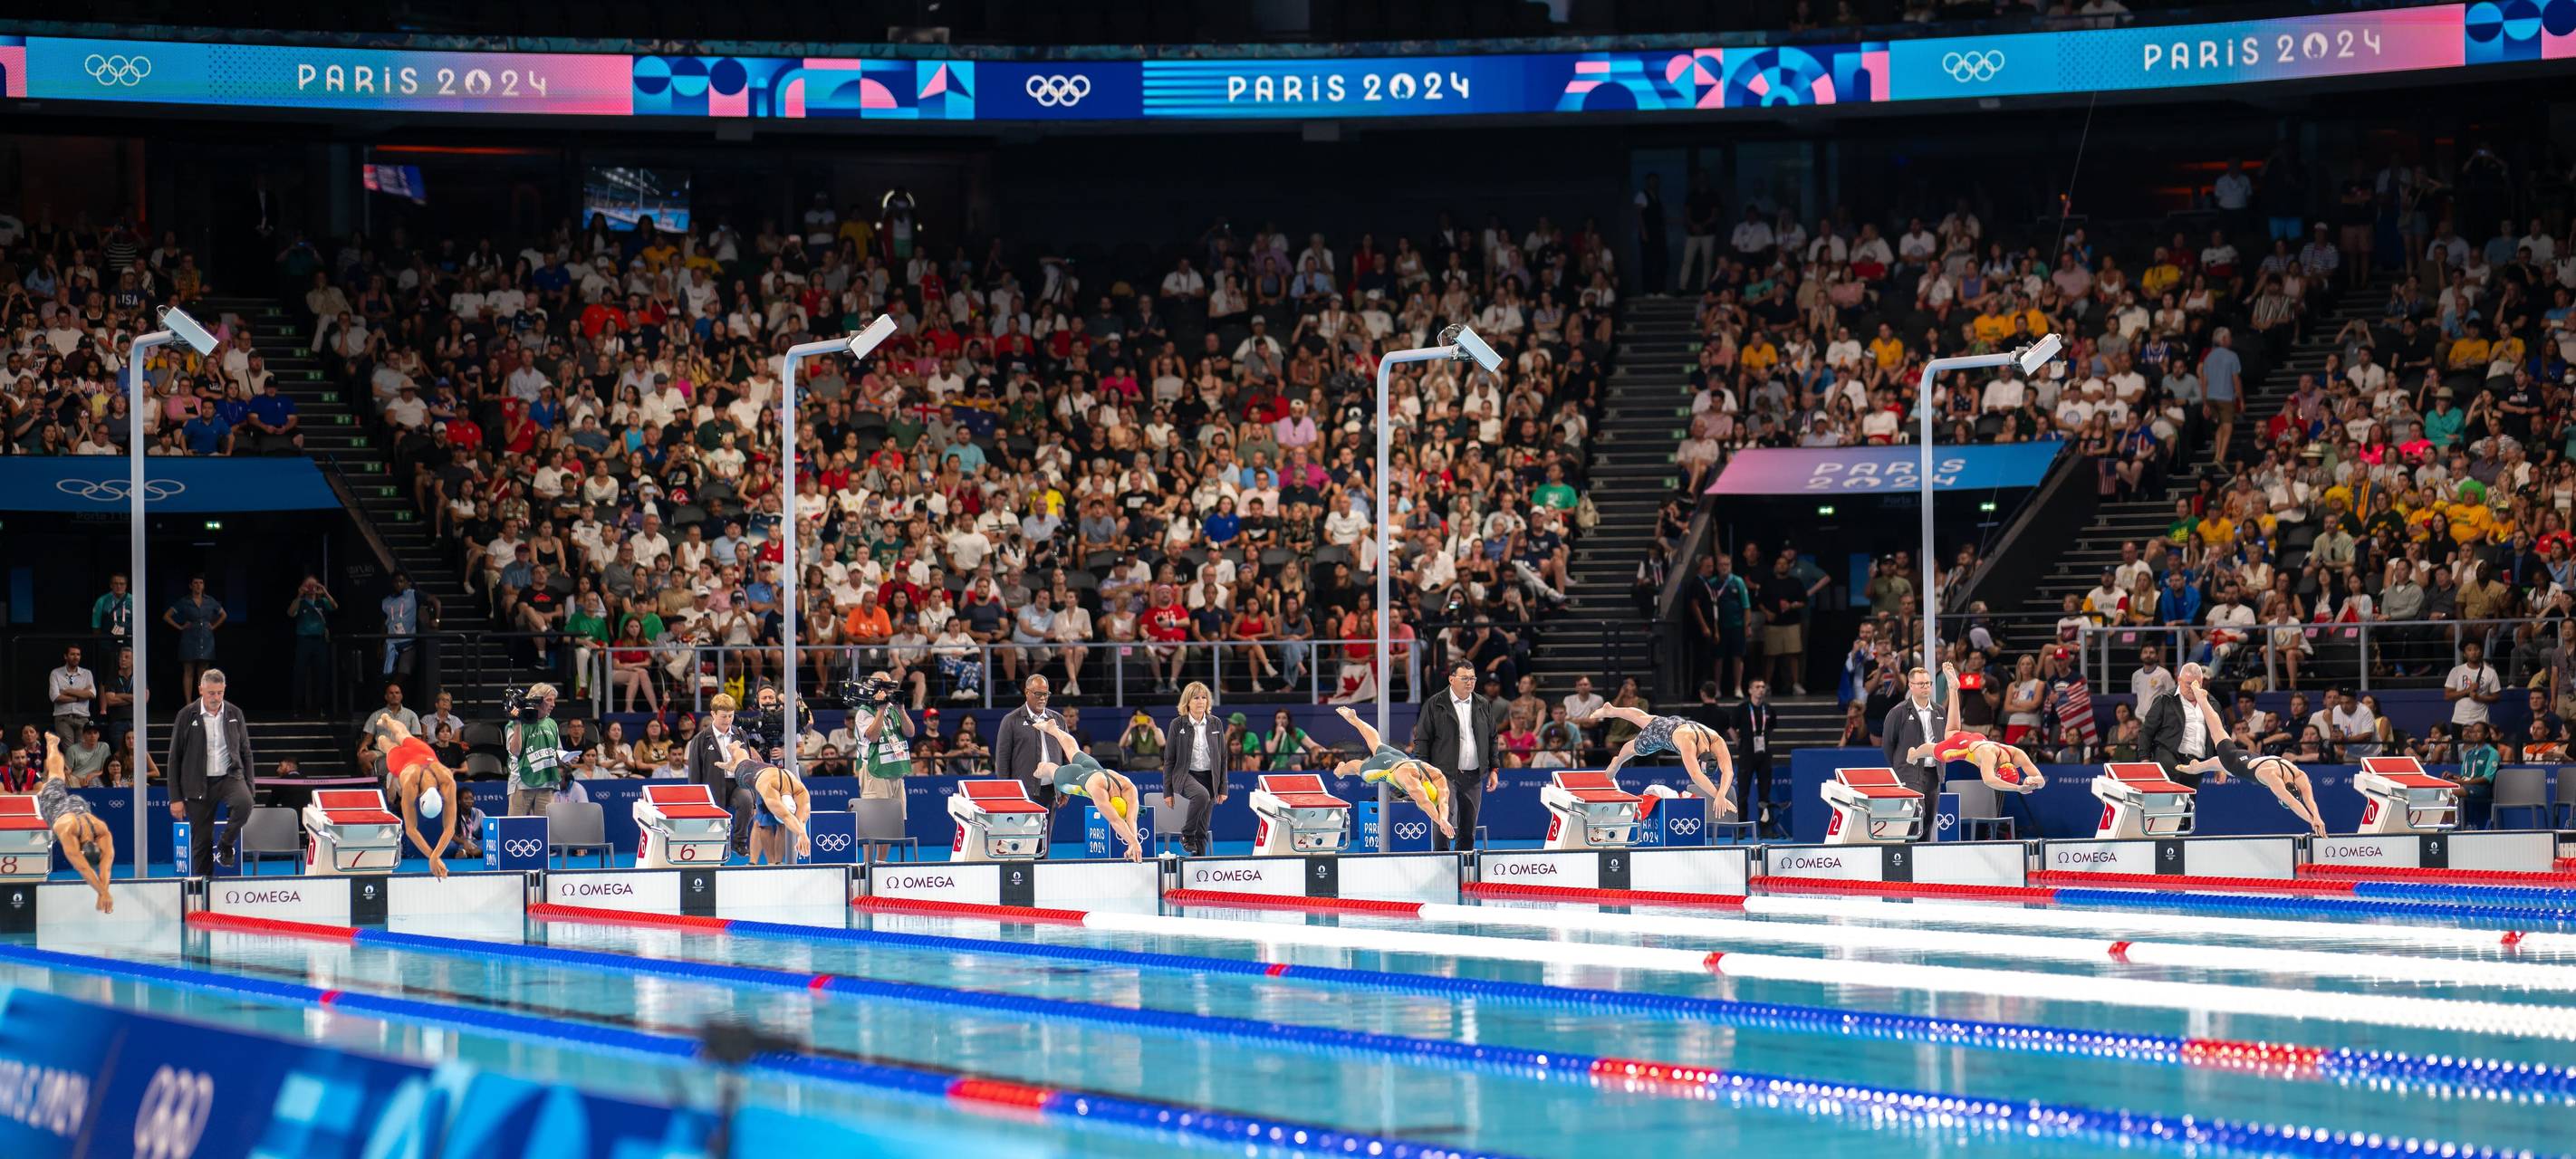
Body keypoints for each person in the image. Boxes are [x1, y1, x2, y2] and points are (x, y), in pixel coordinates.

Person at [2175, 700, 2328, 838]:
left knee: (2212, 763)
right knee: (2216, 730)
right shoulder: (2272, 777)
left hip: (2249, 757)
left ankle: (2198, 766)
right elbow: (2294, 803)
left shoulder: (2299, 775)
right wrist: (2312, 820)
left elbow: (2309, 800)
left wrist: (2317, 818)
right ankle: (2201, 698)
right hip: (2233, 762)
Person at [166, 668, 254, 873]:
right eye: (211, 693)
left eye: (219, 693)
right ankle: (203, 891)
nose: (216, 698)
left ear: (224, 690)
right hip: (197, 783)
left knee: (245, 803)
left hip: (229, 777)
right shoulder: (186, 715)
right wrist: (175, 798)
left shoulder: (234, 713)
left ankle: (225, 844)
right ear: (200, 690)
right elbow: (174, 758)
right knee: (201, 842)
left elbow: (246, 752)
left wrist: (250, 787)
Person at [1411, 660, 1504, 850]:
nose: (1469, 683)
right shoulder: (1435, 704)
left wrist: (1494, 769)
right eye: (1464, 678)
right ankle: (1442, 862)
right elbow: (1422, 740)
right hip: (1443, 774)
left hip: (1474, 774)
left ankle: (1466, 867)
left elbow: (1493, 737)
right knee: (1443, 820)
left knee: (1468, 826)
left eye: (1473, 678)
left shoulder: (1483, 704)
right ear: (1452, 679)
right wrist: (1422, 771)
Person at [1329, 704, 1456, 841]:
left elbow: (1444, 801)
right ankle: (1341, 769)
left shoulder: (1436, 774)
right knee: (1359, 769)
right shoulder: (1412, 784)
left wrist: (1444, 819)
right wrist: (1440, 822)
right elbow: (1425, 802)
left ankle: (1355, 719)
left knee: (1376, 743)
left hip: (1399, 758)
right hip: (1384, 768)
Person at [1031, 717, 1146, 862]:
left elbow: (1131, 819)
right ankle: (1041, 767)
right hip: (1075, 777)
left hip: (1094, 768)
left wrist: (1133, 843)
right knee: (1051, 770)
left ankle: (1053, 729)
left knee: (1073, 750)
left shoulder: (1128, 785)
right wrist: (1134, 842)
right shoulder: (1099, 791)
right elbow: (1115, 820)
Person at [1929, 662, 2050, 794]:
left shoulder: (2016, 754)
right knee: (1943, 743)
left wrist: (2032, 780)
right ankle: (1953, 689)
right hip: (1967, 745)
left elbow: (2042, 781)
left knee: (1951, 733)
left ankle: (1953, 689)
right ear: (1998, 773)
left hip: (1979, 741)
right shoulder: (1990, 756)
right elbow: (1989, 781)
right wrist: (2019, 788)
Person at [1595, 704, 1738, 809]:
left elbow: (1728, 771)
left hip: (1678, 722)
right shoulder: (1688, 744)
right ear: (1698, 757)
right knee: (1635, 748)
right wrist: (1717, 796)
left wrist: (1721, 795)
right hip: (1663, 734)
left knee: (1644, 718)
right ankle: (1617, 762)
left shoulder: (1715, 739)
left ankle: (1612, 710)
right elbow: (1695, 775)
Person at [368, 715, 459, 877]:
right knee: (387, 745)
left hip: (424, 754)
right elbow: (411, 829)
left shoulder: (447, 780)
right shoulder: (414, 783)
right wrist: (433, 857)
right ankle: (382, 734)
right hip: (403, 763)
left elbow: (450, 829)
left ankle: (387, 720)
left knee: (402, 733)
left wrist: (435, 856)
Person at [35, 735, 115, 913]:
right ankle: (51, 745)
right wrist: (103, 892)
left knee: (57, 775)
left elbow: (104, 866)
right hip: (59, 811)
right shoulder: (71, 833)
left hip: (79, 807)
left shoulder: (100, 828)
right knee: (53, 776)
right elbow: (85, 868)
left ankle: (53, 746)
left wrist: (104, 893)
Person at [685, 693, 759, 855]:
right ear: (713, 714)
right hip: (712, 786)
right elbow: (694, 771)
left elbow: (748, 766)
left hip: (737, 784)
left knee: (746, 801)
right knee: (716, 825)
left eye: (731, 716)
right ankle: (716, 848)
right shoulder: (700, 739)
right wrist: (695, 799)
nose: (727, 720)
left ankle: (739, 842)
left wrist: (754, 798)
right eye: (723, 716)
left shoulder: (741, 734)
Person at [721, 735, 812, 866]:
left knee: (775, 822)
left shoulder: (800, 790)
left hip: (769, 770)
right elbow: (785, 816)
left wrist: (803, 834)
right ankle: (733, 747)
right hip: (750, 774)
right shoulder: (770, 790)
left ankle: (777, 861)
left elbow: (801, 819)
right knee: (741, 758)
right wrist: (801, 834)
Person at [1161, 682, 1226, 857]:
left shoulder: (1216, 724)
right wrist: (1167, 791)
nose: (1200, 701)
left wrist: (1223, 787)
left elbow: (1223, 757)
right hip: (1185, 775)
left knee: (1202, 831)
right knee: (1201, 795)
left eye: (1204, 697)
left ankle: (1197, 867)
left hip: (1209, 777)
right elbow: (1169, 759)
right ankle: (1186, 835)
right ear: (1187, 702)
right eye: (1196, 698)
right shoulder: (1178, 724)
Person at [993, 674, 1067, 808]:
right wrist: (1006, 792)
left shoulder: (1059, 720)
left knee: (1047, 830)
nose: (1043, 698)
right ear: (1027, 692)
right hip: (1023, 793)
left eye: (1046, 694)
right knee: (1026, 830)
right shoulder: (1011, 720)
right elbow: (1002, 760)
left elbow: (1066, 755)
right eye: (1038, 694)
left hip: (1052, 791)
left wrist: (1066, 789)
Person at [2141, 661, 2219, 787]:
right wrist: (2144, 758)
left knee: (2189, 799)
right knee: (2173, 781)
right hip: (2168, 752)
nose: (2192, 688)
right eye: (2188, 684)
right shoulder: (2165, 700)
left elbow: (2219, 735)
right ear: (2179, 680)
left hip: (2196, 760)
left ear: (2202, 681)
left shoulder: (2212, 704)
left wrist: (2220, 766)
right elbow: (2147, 731)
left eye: (2196, 684)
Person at [1879, 667, 1948, 801]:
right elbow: (1888, 744)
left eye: (1928, 683)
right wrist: (1901, 766)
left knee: (1929, 817)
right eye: (1921, 684)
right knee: (1917, 813)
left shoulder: (1939, 711)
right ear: (1911, 686)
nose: (1926, 687)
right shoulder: (1898, 712)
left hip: (1934, 772)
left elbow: (1943, 740)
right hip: (1909, 772)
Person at [851, 670, 915, 815]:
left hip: (896, 770)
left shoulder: (894, 709)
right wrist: (880, 710)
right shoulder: (864, 711)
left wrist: (902, 710)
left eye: (890, 687)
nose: (889, 691)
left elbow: (910, 732)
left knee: (896, 821)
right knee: (878, 821)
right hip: (876, 772)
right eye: (886, 687)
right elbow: (873, 737)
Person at [505, 682, 563, 817]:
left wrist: (566, 758)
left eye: (554, 700)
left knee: (546, 830)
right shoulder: (515, 723)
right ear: (536, 700)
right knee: (516, 829)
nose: (553, 705)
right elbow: (515, 751)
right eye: (549, 700)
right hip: (522, 783)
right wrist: (518, 723)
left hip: (547, 783)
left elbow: (557, 751)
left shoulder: (552, 724)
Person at [163, 576, 226, 694]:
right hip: (189, 637)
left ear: (203, 585)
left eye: (201, 583)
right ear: (191, 586)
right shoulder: (185, 601)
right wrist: (180, 627)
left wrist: (213, 626)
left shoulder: (210, 600)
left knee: (203, 672)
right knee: (188, 670)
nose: (198, 585)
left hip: (206, 638)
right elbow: (167, 616)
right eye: (195, 583)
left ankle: (202, 702)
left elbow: (223, 614)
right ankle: (188, 704)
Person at [1731, 679, 1779, 832]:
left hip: (1764, 755)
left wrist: (1765, 740)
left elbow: (1771, 729)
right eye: (1757, 687)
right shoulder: (1742, 709)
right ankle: (1741, 828)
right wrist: (1738, 742)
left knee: (1764, 794)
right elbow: (1731, 727)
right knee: (1743, 793)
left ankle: (1765, 828)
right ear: (1750, 690)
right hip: (1746, 754)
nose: (1761, 690)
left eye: (1763, 687)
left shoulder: (1769, 709)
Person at [286, 575, 338, 713]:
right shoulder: (301, 602)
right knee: (300, 673)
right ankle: (297, 706)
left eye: (314, 585)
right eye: (308, 585)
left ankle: (321, 706)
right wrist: (299, 595)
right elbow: (291, 613)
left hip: (319, 641)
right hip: (304, 641)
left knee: (321, 673)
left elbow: (334, 606)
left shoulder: (322, 602)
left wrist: (325, 592)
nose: (311, 589)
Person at [45, 645, 95, 747]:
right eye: (72, 654)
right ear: (65, 656)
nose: (76, 657)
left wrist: (67, 691)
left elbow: (92, 694)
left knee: (82, 752)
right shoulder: (56, 673)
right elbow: (55, 697)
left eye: (78, 654)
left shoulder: (87, 673)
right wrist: (80, 695)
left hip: (82, 717)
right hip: (63, 718)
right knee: (70, 751)